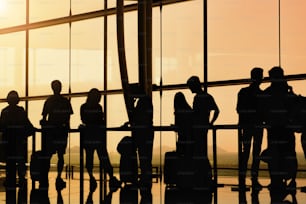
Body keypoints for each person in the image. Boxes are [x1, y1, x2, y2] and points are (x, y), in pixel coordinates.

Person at [261, 67, 297, 203]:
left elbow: (263, 109)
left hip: (274, 129)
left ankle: (276, 180)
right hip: (285, 129)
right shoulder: (286, 92)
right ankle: (290, 180)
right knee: (289, 154)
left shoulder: (268, 93)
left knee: (275, 155)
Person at [80, 88, 121, 193]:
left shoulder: (84, 107)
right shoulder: (98, 107)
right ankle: (111, 177)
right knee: (104, 157)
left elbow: (84, 120)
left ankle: (91, 177)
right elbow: (100, 120)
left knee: (89, 158)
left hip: (88, 136)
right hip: (98, 136)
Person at [0, 91, 34, 202]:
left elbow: (2, 127)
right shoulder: (20, 111)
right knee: (19, 161)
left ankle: (11, 179)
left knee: (10, 163)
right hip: (18, 141)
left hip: (9, 142)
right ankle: (21, 179)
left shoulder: (4, 112)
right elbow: (27, 125)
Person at [40, 80, 73, 190]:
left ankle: (45, 176)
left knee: (48, 156)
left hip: (51, 132)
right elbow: (68, 117)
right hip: (61, 131)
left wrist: (45, 124)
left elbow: (44, 117)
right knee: (60, 155)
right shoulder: (65, 101)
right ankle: (58, 177)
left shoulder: (49, 101)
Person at [236, 67, 264, 191]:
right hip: (257, 126)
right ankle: (254, 179)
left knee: (245, 153)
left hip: (247, 126)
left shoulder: (243, 92)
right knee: (255, 153)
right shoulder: (262, 95)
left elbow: (239, 109)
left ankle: (242, 180)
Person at [187, 76, 219, 158]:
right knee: (201, 149)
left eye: (190, 86)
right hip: (203, 126)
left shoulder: (198, 98)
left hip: (197, 127)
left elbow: (216, 110)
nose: (190, 89)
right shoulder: (207, 96)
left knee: (198, 150)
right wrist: (210, 123)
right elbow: (216, 110)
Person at [131, 94, 154, 196]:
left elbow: (136, 116)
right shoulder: (148, 102)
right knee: (147, 157)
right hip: (147, 132)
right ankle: (146, 179)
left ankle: (144, 178)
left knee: (143, 156)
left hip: (141, 133)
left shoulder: (141, 103)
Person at [173, 92, 193, 156]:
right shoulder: (188, 109)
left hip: (183, 137)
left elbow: (178, 126)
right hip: (189, 137)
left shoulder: (178, 112)